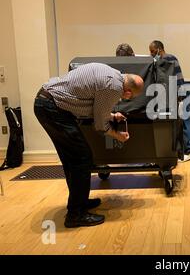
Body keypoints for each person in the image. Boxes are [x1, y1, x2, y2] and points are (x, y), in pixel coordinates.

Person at [34, 63, 144, 228]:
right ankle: (75, 214)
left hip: (46, 103)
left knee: (71, 159)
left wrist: (112, 116)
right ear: (128, 91)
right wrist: (118, 136)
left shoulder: (113, 75)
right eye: (131, 96)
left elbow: (95, 107)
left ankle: (80, 202)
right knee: (82, 158)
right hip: (53, 109)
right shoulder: (114, 87)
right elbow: (100, 125)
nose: (128, 99)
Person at [149, 40, 190, 162]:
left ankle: (187, 150)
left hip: (175, 96)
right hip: (174, 95)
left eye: (153, 52)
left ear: (160, 49)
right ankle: (185, 150)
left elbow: (174, 77)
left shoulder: (168, 58)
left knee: (179, 125)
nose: (152, 54)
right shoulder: (167, 59)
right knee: (179, 124)